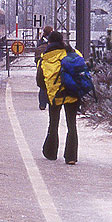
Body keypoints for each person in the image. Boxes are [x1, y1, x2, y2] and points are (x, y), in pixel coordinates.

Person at [40, 30, 80, 164]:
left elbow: (39, 80)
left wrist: (47, 89)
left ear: (49, 42)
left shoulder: (46, 57)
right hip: (73, 93)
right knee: (72, 125)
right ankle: (71, 157)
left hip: (55, 95)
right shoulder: (74, 53)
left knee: (53, 123)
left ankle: (51, 152)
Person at [35, 25, 53, 110]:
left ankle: (42, 104)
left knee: (42, 85)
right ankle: (50, 102)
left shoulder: (40, 41)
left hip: (41, 65)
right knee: (49, 85)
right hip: (50, 65)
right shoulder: (52, 42)